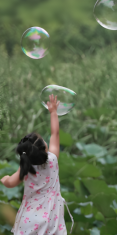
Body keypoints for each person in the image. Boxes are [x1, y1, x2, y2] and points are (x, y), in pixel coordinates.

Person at [1, 95, 73, 235]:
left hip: (30, 219)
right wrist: (53, 112)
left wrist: (4, 179)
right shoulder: (53, 160)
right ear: (44, 148)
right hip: (52, 218)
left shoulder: (26, 167)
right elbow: (55, 134)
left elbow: (11, 182)